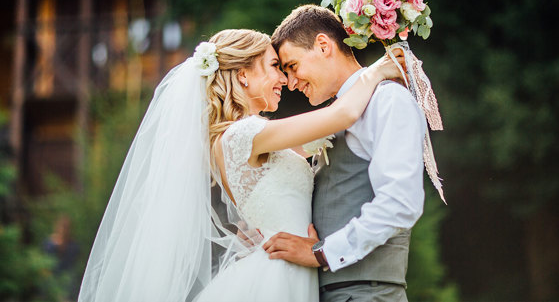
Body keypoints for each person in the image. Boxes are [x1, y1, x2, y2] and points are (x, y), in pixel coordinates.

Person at [78, 28, 405, 302]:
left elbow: (327, 136)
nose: (285, 79)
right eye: (275, 66)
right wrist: (377, 71)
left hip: (292, 266)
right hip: (280, 274)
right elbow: (341, 115)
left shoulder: (248, 136)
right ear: (244, 75)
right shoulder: (242, 134)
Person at [263, 5, 426, 302]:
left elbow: (401, 202)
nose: (290, 82)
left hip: (368, 294)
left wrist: (322, 252)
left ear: (323, 46)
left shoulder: (386, 100)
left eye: (293, 66)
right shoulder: (334, 116)